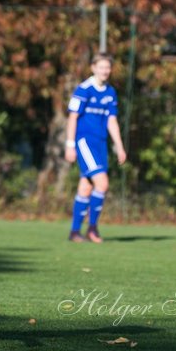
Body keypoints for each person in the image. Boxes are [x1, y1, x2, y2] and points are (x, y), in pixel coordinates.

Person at [63, 54, 127, 243]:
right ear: (93, 68)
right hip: (84, 142)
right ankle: (92, 228)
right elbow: (73, 117)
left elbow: (112, 120)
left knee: (86, 187)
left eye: (107, 67)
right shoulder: (84, 90)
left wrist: (120, 146)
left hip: (100, 143)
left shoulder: (110, 93)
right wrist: (70, 145)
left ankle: (75, 232)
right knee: (102, 183)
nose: (105, 71)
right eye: (101, 67)